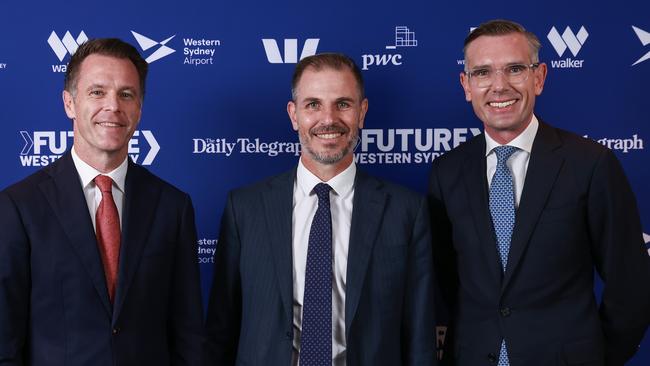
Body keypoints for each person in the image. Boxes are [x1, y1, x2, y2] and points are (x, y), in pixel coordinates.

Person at [428, 19, 650, 366]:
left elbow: (631, 282)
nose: (499, 86)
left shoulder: (591, 164)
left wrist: (597, 357)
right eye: (483, 73)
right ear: (467, 85)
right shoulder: (447, 171)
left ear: (539, 77)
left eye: (515, 69)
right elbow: (445, 282)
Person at [204, 53, 436, 365]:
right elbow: (221, 329)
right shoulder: (244, 208)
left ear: (362, 112)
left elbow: (420, 339)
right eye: (313, 104)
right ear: (294, 114)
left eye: (343, 104)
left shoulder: (406, 210)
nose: (328, 119)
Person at [0, 38, 203, 365]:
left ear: (139, 108)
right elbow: (5, 341)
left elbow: (188, 335)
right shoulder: (18, 207)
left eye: (126, 94)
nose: (113, 106)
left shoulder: (173, 207)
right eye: (97, 92)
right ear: (69, 103)